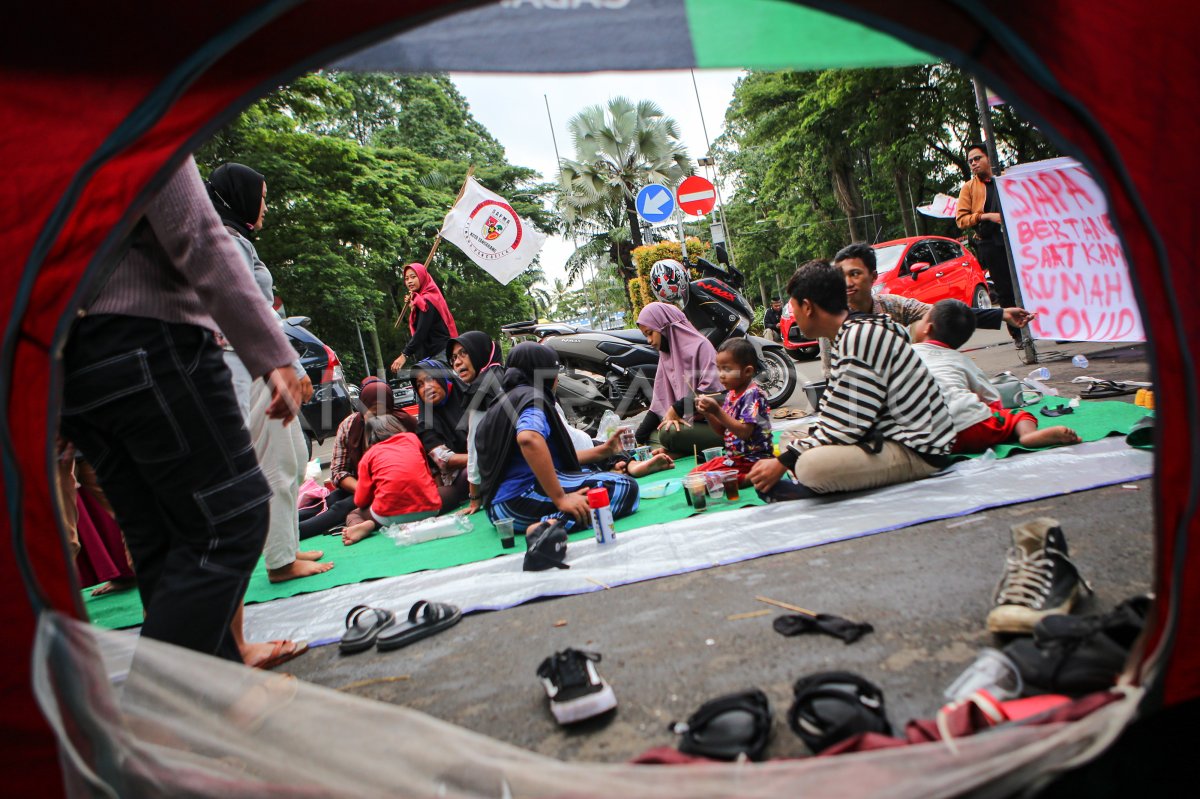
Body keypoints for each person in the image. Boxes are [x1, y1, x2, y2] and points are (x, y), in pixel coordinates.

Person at [59, 156, 304, 664]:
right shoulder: (135, 100)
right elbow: (197, 233)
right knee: (233, 517)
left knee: (161, 541)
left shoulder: (43, 123)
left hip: (73, 355)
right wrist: (274, 353)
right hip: (151, 343)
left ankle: (214, 692)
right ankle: (164, 712)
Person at [207, 162, 332, 584]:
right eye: (261, 198)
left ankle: (287, 545)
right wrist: (291, 366)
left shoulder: (236, 238)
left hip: (258, 360)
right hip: (250, 363)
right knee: (278, 460)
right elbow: (252, 311)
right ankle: (280, 560)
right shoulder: (226, 240)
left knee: (296, 456)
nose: (265, 207)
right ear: (239, 197)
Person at [748, 261, 955, 501]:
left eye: (793, 308)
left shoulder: (859, 337)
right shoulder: (850, 333)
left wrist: (783, 463)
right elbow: (837, 412)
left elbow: (847, 422)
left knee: (808, 465)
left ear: (807, 307)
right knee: (791, 437)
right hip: (879, 432)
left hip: (918, 449)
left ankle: (808, 486)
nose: (793, 316)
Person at [476, 343, 639, 534]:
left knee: (590, 470)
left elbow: (550, 459)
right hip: (519, 501)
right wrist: (561, 498)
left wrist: (602, 451)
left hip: (497, 510)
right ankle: (550, 526)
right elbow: (529, 438)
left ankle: (553, 519)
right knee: (623, 486)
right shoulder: (532, 399)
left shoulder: (501, 403)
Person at [817, 243, 1034, 377]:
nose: (847, 282)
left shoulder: (892, 305)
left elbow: (942, 313)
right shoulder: (831, 320)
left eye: (855, 274)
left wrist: (1002, 314)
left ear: (873, 277)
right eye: (841, 276)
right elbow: (831, 374)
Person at [913, 300, 1081, 453]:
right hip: (973, 428)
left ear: (927, 328)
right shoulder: (962, 361)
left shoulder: (907, 353)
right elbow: (993, 400)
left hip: (929, 436)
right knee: (1018, 415)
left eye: (920, 320)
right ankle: (1028, 435)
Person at [634, 302, 725, 455]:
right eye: (645, 335)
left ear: (664, 327)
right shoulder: (667, 356)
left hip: (718, 426)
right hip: (690, 426)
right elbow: (659, 403)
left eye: (650, 333)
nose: (649, 340)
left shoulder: (701, 347)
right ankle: (679, 449)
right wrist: (639, 438)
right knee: (651, 436)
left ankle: (677, 449)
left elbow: (715, 394)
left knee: (667, 433)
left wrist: (677, 408)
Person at [955, 143, 1023, 347]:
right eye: (970, 161)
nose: (974, 163)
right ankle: (1019, 335)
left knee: (1030, 284)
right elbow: (961, 220)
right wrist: (986, 216)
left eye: (977, 158)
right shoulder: (969, 188)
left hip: (1017, 240)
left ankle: (1048, 327)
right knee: (1005, 290)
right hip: (990, 244)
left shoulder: (1005, 179)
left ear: (988, 158)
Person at [341, 415, 444, 545]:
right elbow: (426, 473)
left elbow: (360, 501)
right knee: (452, 491)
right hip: (430, 510)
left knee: (354, 514)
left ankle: (362, 525)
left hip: (389, 517)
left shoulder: (368, 456)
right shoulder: (412, 439)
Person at [691, 338, 773, 484]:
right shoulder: (731, 394)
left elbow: (744, 432)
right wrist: (708, 413)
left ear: (747, 371)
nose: (721, 375)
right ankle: (739, 478)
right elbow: (723, 431)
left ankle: (749, 478)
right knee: (695, 475)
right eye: (719, 369)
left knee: (705, 481)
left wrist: (716, 411)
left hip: (752, 459)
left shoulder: (752, 394)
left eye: (727, 369)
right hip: (734, 459)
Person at [447, 331, 507, 515]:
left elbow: (475, 451)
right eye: (454, 357)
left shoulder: (481, 393)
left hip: (507, 492)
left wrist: (474, 499)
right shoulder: (506, 377)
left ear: (480, 352)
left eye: (464, 353)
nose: (457, 362)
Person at [410, 358, 471, 511]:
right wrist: (482, 458)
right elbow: (444, 460)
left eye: (430, 379)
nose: (426, 388)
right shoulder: (426, 423)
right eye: (420, 385)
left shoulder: (472, 398)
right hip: (461, 477)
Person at [391, 263, 459, 372]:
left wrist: (404, 355)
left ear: (422, 277)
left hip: (440, 354)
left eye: (413, 277)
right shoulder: (422, 300)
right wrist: (414, 308)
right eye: (406, 278)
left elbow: (422, 331)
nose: (409, 281)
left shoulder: (428, 300)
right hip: (431, 356)